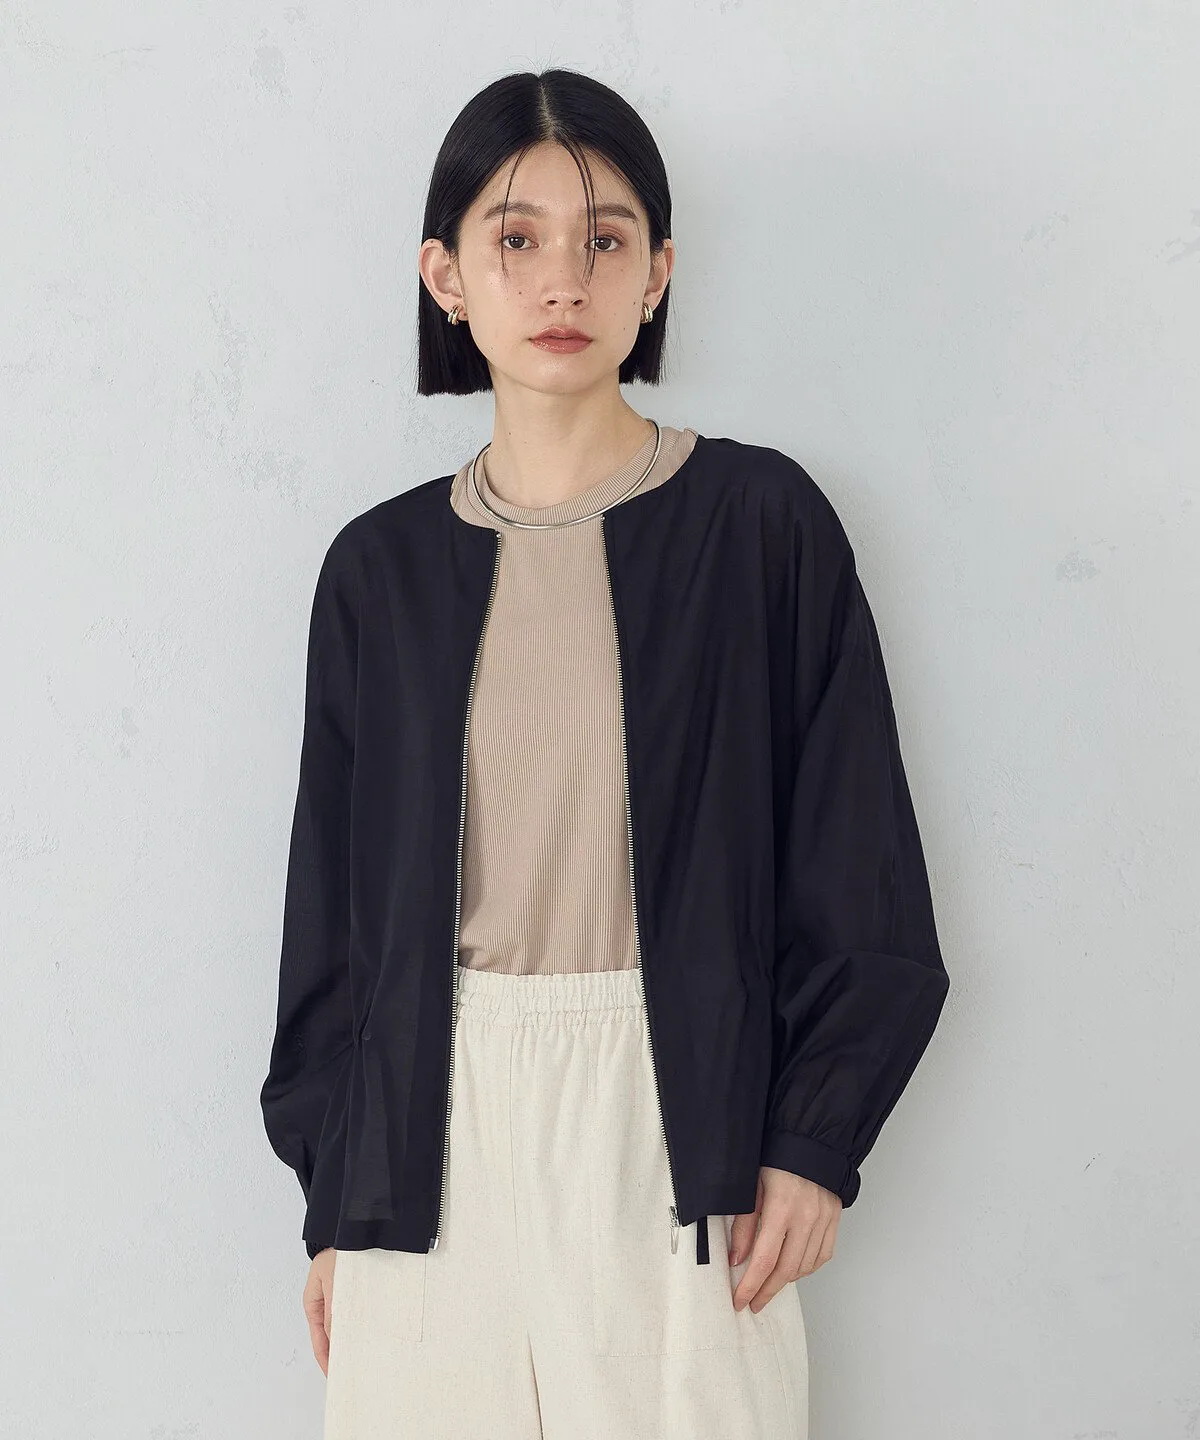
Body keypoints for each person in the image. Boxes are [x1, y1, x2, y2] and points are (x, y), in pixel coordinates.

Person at [260, 67, 950, 1440]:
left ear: (658, 274)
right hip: (425, 1137)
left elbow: (861, 870)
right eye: (515, 238)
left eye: (606, 238)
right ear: (446, 277)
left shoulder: (761, 525)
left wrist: (813, 1143)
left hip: (675, 1117)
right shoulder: (377, 572)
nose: (563, 280)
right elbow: (329, 925)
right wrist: (339, 1199)